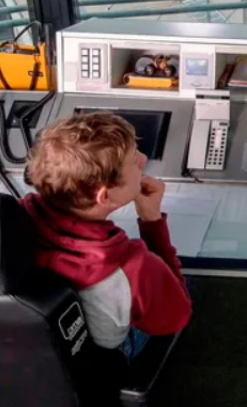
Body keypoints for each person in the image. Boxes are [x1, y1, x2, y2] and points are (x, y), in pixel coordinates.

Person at [23, 112, 192, 358]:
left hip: (28, 353)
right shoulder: (134, 267)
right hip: (96, 364)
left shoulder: (6, 220)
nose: (144, 160)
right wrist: (152, 221)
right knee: (184, 286)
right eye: (134, 160)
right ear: (105, 197)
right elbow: (176, 317)